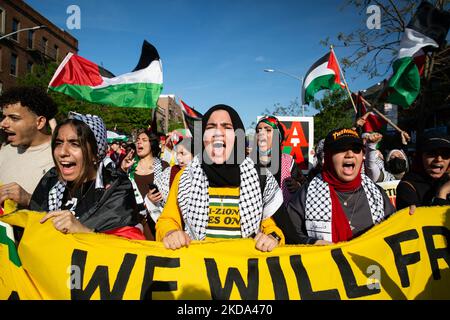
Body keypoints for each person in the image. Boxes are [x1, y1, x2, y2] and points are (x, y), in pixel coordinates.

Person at [156, 104, 285, 252]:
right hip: (196, 271)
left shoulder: (259, 177)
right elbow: (167, 220)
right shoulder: (186, 177)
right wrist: (171, 233)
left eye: (226, 127)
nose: (218, 132)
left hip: (246, 271)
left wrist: (271, 237)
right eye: (211, 127)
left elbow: (272, 226)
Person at [29, 112, 144, 239]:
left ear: (96, 153)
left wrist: (84, 232)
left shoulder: (116, 188)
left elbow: (128, 245)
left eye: (75, 144)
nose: (62, 152)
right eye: (58, 143)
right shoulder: (51, 180)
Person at [281, 128, 395, 245]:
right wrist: (311, 242)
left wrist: (411, 214)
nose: (350, 154)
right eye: (341, 149)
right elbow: (287, 234)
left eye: (356, 149)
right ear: (328, 157)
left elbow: (395, 231)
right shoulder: (307, 193)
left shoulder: (376, 193)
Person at [0, 86, 58, 208]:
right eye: (4, 117)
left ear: (40, 122)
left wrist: (29, 199)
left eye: (14, 118)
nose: (3, 124)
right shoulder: (5, 151)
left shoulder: (61, 157)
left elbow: (74, 212)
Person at [120, 129, 169, 240]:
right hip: (136, 223)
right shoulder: (129, 166)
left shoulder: (163, 167)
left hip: (157, 221)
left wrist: (154, 199)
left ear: (151, 144)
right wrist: (122, 170)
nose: (139, 143)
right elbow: (120, 195)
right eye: (137, 140)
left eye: (144, 140)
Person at [254, 115, 305, 204]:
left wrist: (297, 186)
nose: (261, 134)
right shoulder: (249, 162)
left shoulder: (288, 162)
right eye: (258, 130)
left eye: (268, 130)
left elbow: (304, 184)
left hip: (283, 214)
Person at [396, 132, 450, 212]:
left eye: (445, 154)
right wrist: (442, 194)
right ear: (420, 157)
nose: (439, 159)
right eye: (432, 153)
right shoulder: (407, 187)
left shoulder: (447, 179)